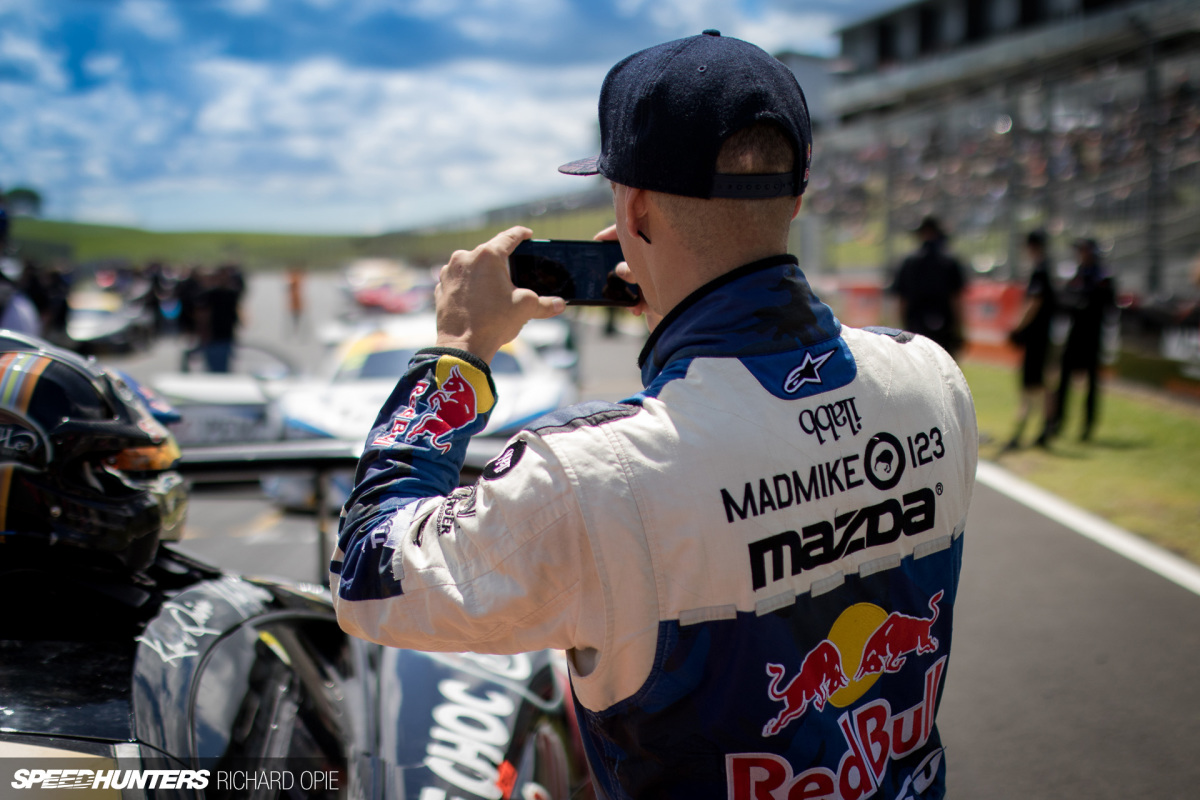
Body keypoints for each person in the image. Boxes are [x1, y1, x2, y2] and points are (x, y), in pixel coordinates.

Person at [332, 31, 977, 799]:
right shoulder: (933, 376)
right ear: (797, 196)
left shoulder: (592, 475)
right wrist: (683, 329)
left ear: (633, 211)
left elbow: (369, 575)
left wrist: (457, 357)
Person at [1042, 238, 1116, 443]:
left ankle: (1087, 427)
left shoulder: (1103, 277)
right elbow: (1064, 301)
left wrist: (1082, 304)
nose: (1080, 254)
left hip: (1093, 337)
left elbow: (1107, 305)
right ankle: (1057, 422)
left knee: (1092, 384)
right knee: (1063, 380)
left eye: (1083, 250)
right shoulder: (1076, 274)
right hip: (1073, 336)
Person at [1005, 229, 1057, 450]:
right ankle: (1045, 427)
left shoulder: (1040, 271)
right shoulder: (1046, 269)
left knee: (1030, 386)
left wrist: (1018, 327)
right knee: (1040, 384)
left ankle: (1024, 430)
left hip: (1037, 338)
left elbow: (1034, 302)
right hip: (1042, 336)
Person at [889, 215, 968, 359]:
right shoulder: (950, 261)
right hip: (945, 326)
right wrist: (960, 330)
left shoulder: (909, 262)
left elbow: (902, 300)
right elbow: (956, 300)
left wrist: (900, 329)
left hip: (915, 326)